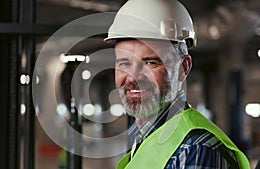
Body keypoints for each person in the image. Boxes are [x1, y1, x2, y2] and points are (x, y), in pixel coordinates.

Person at [104, 0, 251, 168]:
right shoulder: (144, 140)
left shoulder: (196, 150)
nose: (133, 78)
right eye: (124, 63)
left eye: (150, 63)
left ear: (183, 67)